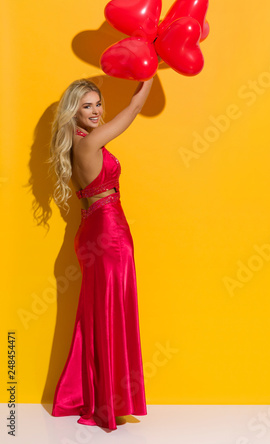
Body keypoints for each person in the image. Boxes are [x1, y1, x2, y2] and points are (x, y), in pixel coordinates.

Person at [47, 76, 154, 430]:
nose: (95, 111)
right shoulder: (90, 142)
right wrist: (150, 70)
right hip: (109, 233)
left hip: (91, 232)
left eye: (97, 104)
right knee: (111, 314)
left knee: (98, 315)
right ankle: (107, 403)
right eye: (86, 106)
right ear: (73, 112)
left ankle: (97, 396)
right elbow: (135, 109)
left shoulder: (76, 144)